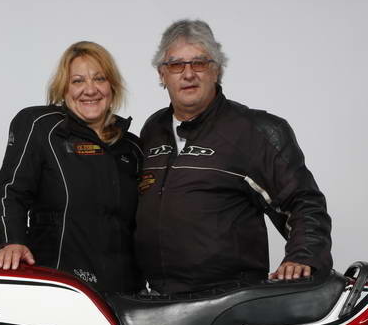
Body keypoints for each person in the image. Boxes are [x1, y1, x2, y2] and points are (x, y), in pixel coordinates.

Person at [135, 20, 333, 295]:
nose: (188, 74)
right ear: (162, 74)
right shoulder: (153, 130)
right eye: (176, 65)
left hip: (230, 301)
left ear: (217, 69)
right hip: (159, 299)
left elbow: (304, 203)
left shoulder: (254, 131)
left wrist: (303, 256)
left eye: (199, 63)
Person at [0, 41, 142, 294]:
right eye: (78, 81)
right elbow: (10, 192)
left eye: (99, 79)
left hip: (124, 294)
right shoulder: (41, 127)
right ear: (63, 88)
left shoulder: (133, 148)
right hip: (58, 286)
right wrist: (11, 241)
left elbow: (146, 222)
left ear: (112, 86)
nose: (90, 90)